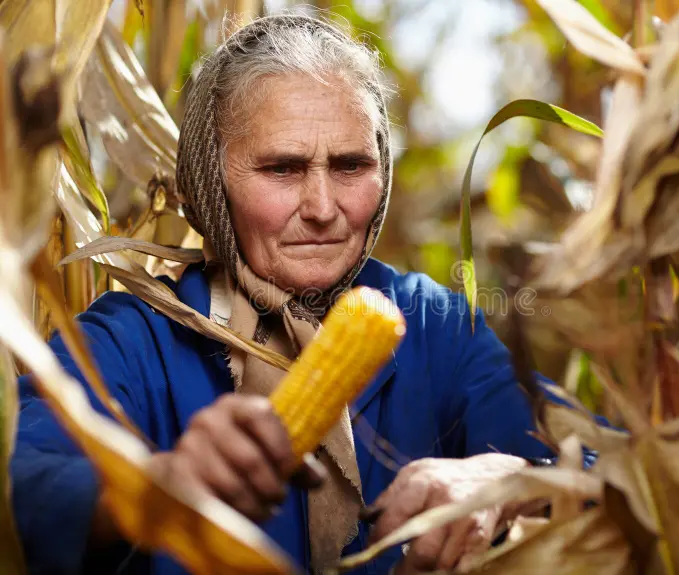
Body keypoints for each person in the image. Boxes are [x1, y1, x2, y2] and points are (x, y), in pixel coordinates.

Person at [11, 14, 561, 575]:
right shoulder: (130, 338)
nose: (323, 208)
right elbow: (20, 484)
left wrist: (509, 480)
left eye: (351, 165)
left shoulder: (436, 327)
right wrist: (152, 488)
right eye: (283, 168)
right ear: (210, 179)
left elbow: (606, 462)